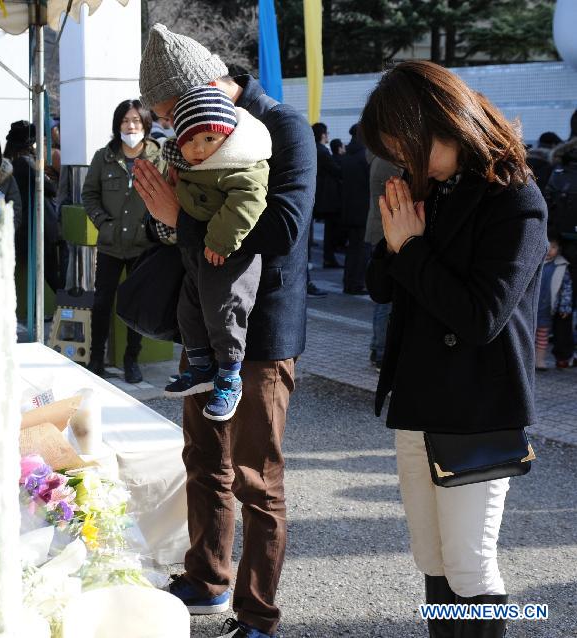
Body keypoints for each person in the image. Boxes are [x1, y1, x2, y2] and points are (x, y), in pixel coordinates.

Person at [133, 24, 315, 638]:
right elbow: (181, 235)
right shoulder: (190, 137)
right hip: (203, 328)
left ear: (206, 86)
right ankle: (206, 578)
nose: (167, 125)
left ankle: (258, 613)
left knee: (257, 478)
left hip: (260, 330)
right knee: (203, 459)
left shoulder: (281, 126)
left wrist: (179, 216)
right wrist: (166, 217)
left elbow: (283, 227)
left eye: (167, 111)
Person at [362, 61, 547, 638]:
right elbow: (380, 288)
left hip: (478, 409)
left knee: (470, 564)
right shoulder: (430, 189)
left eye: (403, 146)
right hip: (418, 402)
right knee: (433, 560)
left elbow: (480, 318)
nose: (401, 162)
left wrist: (410, 246)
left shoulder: (515, 200)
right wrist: (395, 245)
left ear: (439, 124)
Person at [160, 85, 270, 421]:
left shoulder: (241, 161)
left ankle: (229, 377)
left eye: (209, 138)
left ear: (228, 135)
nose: (199, 148)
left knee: (225, 313)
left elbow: (249, 200)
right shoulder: (189, 164)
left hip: (229, 256)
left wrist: (220, 241)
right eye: (190, 140)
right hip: (197, 255)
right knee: (189, 310)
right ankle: (200, 366)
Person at [81, 100, 163, 383]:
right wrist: (103, 224)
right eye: (126, 121)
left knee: (136, 305)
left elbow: (170, 196)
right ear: (118, 125)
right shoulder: (103, 157)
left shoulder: (158, 157)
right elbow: (89, 195)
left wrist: (150, 229)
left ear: (146, 125)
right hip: (110, 246)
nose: (131, 126)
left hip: (143, 246)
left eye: (137, 121)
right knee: (102, 302)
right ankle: (95, 358)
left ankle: (132, 359)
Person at [6, 120, 64, 295]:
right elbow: (52, 189)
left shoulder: (9, 164)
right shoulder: (27, 162)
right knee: (53, 273)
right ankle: (67, 310)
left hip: (24, 225)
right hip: (41, 224)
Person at [364, 155, 402, 368]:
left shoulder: (379, 158)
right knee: (384, 300)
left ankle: (378, 349)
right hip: (384, 233)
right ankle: (379, 350)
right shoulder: (388, 161)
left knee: (384, 300)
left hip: (381, 231)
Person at [546, 110, 577, 363]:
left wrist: (552, 239)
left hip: (564, 245)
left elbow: (549, 203)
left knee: (562, 300)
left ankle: (563, 354)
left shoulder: (560, 162)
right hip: (565, 243)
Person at [535, 231, 573, 370]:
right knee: (529, 336)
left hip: (546, 309)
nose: (550, 250)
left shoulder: (561, 266)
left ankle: (539, 360)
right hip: (532, 308)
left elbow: (566, 290)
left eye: (554, 247)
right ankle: (527, 360)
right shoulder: (535, 263)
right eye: (548, 246)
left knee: (542, 337)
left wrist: (565, 307)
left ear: (559, 250)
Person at [340, 124, 370, 295]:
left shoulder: (347, 156)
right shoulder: (364, 157)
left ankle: (348, 282)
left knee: (352, 249)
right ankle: (357, 283)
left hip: (348, 208)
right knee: (361, 250)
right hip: (363, 210)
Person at [312, 122, 343, 268]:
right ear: (323, 135)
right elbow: (336, 170)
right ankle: (328, 258)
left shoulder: (313, 149)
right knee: (330, 230)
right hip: (325, 197)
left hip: (317, 195)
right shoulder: (323, 152)